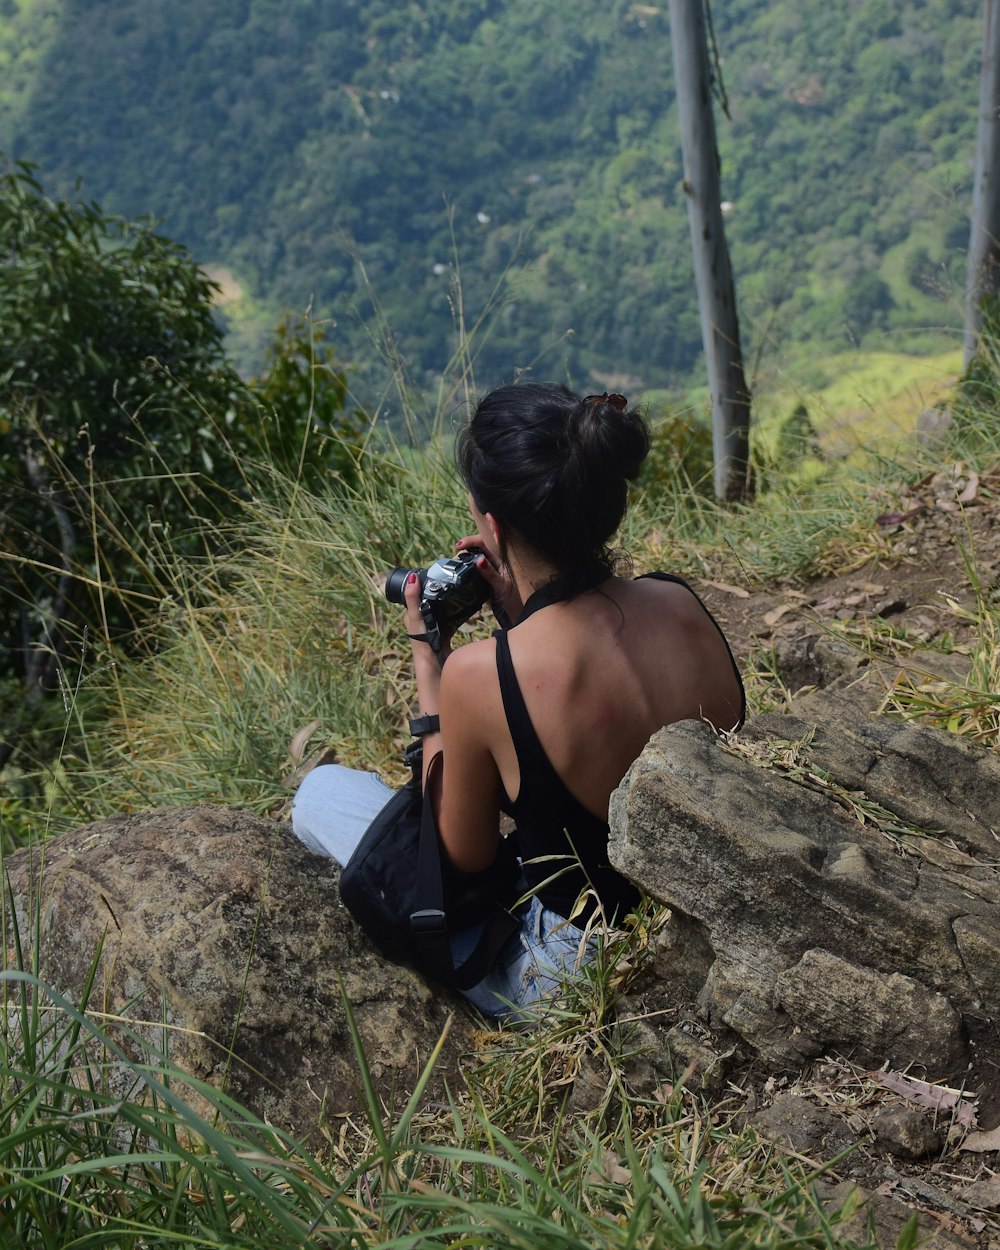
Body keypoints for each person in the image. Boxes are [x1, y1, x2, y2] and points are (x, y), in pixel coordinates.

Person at [292, 383, 745, 1018]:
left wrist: (430, 660)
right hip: (710, 905)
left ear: (493, 525)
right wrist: (520, 611)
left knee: (320, 796)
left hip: (579, 966)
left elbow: (459, 858)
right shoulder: (679, 602)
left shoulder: (484, 675)